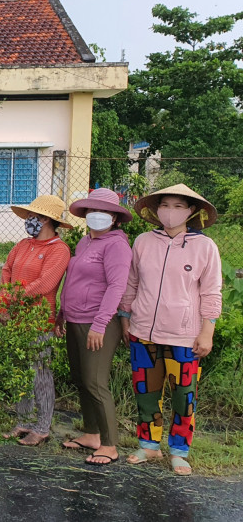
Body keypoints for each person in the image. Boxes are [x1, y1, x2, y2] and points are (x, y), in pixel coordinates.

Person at [120, 184, 222, 475]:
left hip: (184, 337)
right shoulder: (142, 241)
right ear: (157, 209)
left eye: (179, 206)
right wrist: (126, 316)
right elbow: (132, 283)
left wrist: (207, 331)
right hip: (142, 332)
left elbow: (211, 292)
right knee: (146, 392)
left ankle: (179, 450)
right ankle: (148, 446)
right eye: (165, 205)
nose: (171, 211)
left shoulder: (205, 247)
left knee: (184, 396)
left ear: (191, 211)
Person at [56, 187, 132, 465]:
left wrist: (101, 325)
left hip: (97, 322)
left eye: (104, 211)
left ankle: (110, 444)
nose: (96, 216)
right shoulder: (85, 242)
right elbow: (75, 280)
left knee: (95, 382)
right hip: (75, 318)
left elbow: (116, 287)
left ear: (115, 218)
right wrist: (62, 313)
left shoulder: (117, 245)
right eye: (92, 210)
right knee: (80, 379)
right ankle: (91, 434)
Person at [1, 195, 73, 446]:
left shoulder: (59, 250)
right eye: (31, 216)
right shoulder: (22, 244)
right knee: (21, 373)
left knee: (40, 374)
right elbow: (7, 270)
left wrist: (11, 298)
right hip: (15, 319)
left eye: (38, 217)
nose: (32, 221)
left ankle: (42, 427)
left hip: (39, 320)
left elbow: (45, 284)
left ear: (50, 221)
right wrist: (4, 302)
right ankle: (23, 420)